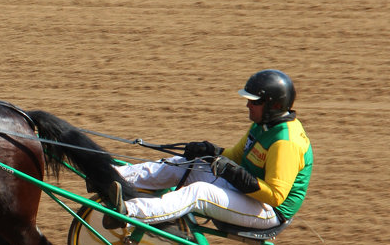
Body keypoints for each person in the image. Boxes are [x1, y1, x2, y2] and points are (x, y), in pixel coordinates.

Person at [102, 69, 313, 232]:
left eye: (254, 102)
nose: (247, 105)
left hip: (268, 212)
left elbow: (275, 196)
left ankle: (129, 212)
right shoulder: (263, 124)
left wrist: (230, 171)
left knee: (199, 193)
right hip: (248, 195)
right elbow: (234, 157)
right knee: (189, 164)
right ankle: (111, 175)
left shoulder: (286, 142)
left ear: (273, 105)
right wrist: (210, 151)